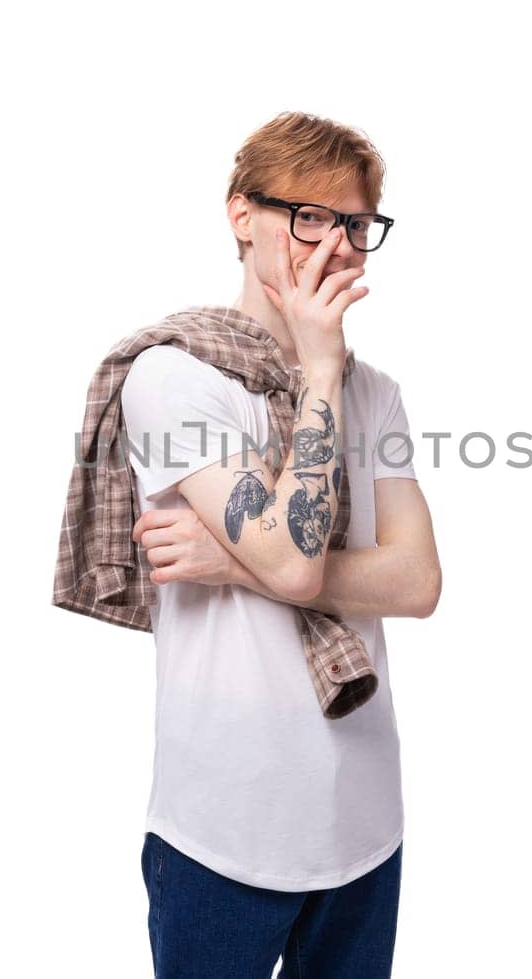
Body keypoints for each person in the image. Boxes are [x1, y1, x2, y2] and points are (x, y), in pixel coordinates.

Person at [100, 112, 441, 977]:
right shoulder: (173, 376)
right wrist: (320, 371)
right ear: (240, 215)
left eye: (356, 224)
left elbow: (419, 580)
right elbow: (294, 558)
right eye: (309, 216)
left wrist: (230, 563)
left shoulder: (380, 395)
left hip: (365, 823)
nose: (334, 244)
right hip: (226, 828)